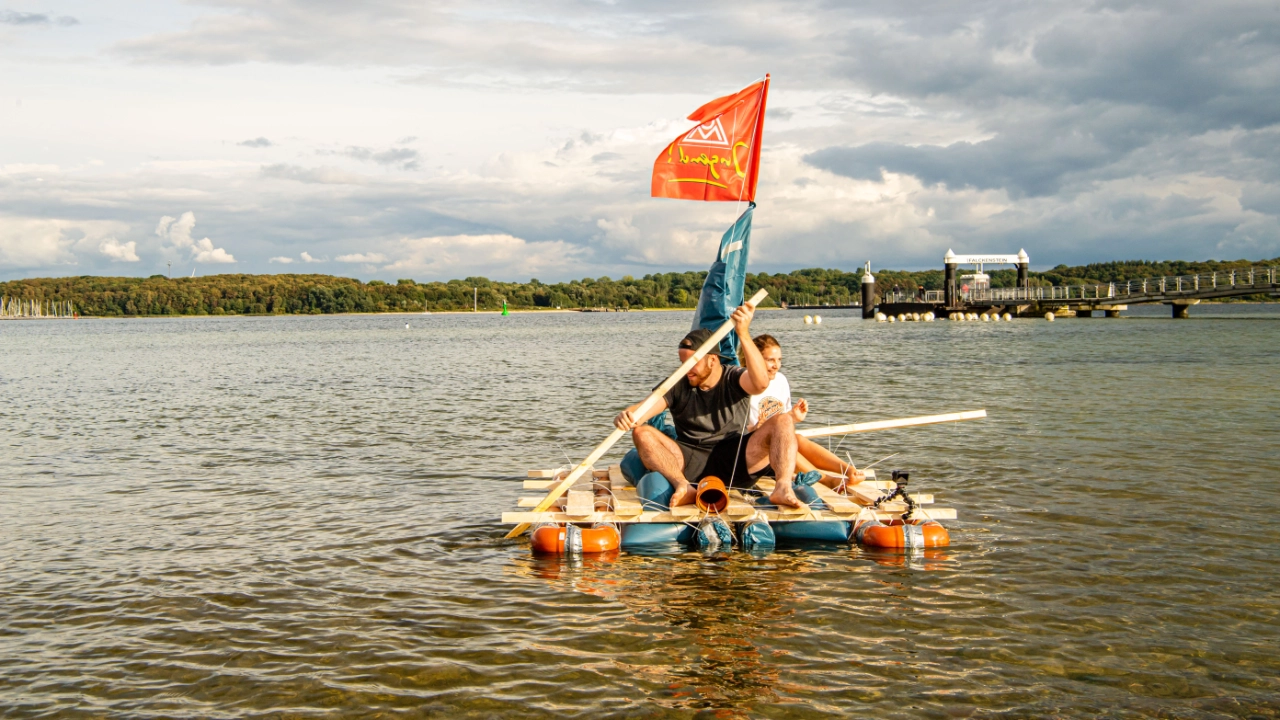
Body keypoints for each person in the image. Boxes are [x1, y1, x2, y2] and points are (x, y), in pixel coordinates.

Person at [613, 302, 803, 508]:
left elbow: (761, 384)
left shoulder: (733, 377)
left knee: (783, 420)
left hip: (736, 458)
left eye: (691, 363)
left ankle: (782, 488)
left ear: (712, 360)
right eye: (682, 363)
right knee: (642, 433)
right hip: (689, 461)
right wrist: (626, 415)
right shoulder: (678, 383)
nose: (686, 370)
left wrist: (743, 333)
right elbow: (640, 412)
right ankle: (683, 487)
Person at [747, 334, 866, 492]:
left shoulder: (780, 380)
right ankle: (827, 480)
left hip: (775, 446)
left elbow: (783, 425)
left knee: (797, 439)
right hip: (754, 452)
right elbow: (736, 432)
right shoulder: (745, 384)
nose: (776, 365)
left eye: (779, 360)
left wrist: (793, 417)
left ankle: (848, 470)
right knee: (780, 445)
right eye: (770, 360)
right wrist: (755, 428)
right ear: (755, 359)